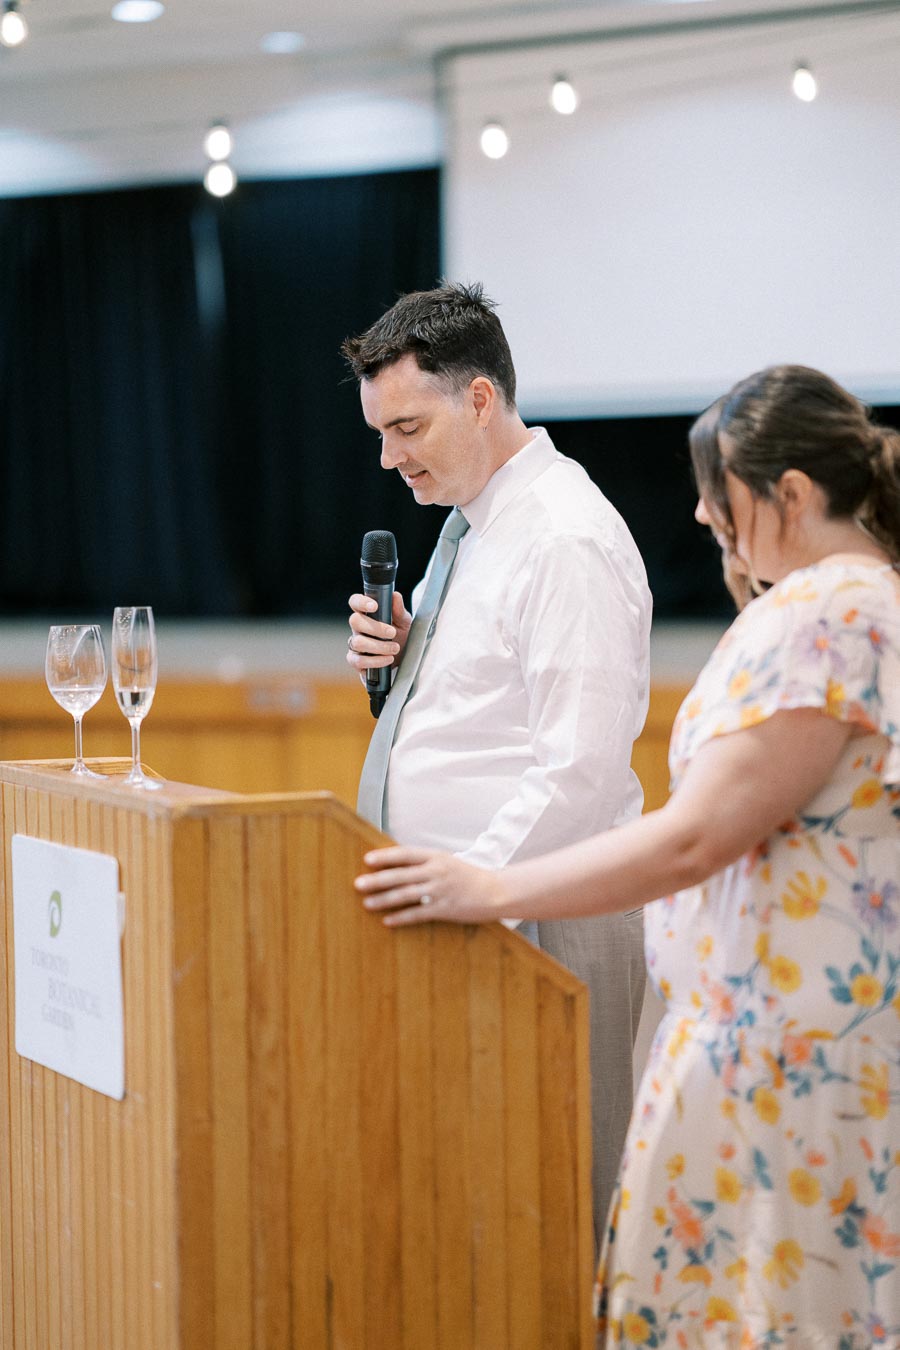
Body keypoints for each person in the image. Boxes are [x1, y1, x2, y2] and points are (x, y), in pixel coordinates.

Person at [354, 364, 900, 1346]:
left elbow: (696, 833)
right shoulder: (855, 603)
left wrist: (487, 885)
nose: (699, 514)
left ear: (790, 494)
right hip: (785, 1023)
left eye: (718, 493)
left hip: (788, 1043)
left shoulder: (830, 613)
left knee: (772, 1312)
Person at [343, 283, 652, 1247]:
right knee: (493, 1211)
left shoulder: (562, 537)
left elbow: (579, 771)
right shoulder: (478, 527)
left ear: (480, 399)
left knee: (564, 1206)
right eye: (380, 434)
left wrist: (474, 890)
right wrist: (407, 661)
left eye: (407, 428)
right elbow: (489, 716)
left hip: (545, 916)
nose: (390, 458)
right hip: (480, 912)